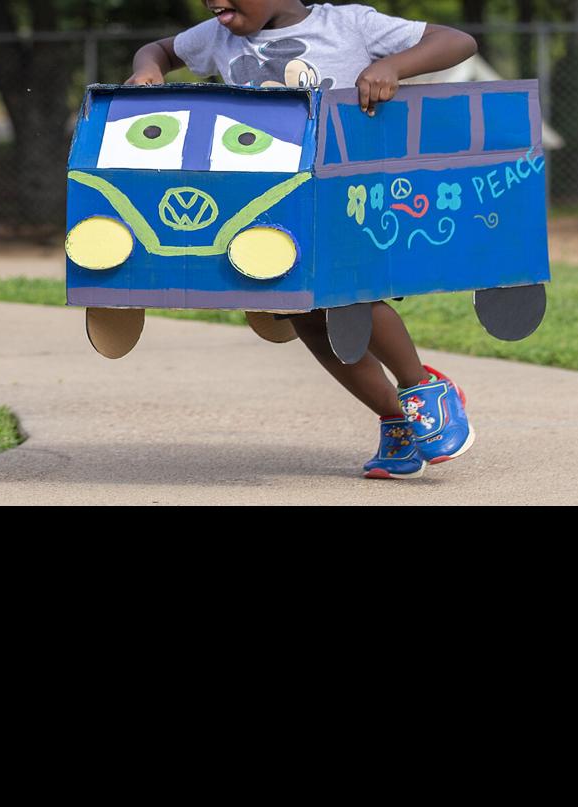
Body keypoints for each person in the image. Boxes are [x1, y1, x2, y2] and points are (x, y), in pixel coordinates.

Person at [127, 1, 480, 479]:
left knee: (347, 293)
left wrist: (390, 65)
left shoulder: (348, 23)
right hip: (265, 199)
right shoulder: (216, 35)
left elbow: (457, 41)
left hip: (339, 189)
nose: (215, 2)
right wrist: (149, 70)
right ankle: (394, 416)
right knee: (302, 314)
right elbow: (161, 49)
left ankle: (423, 388)